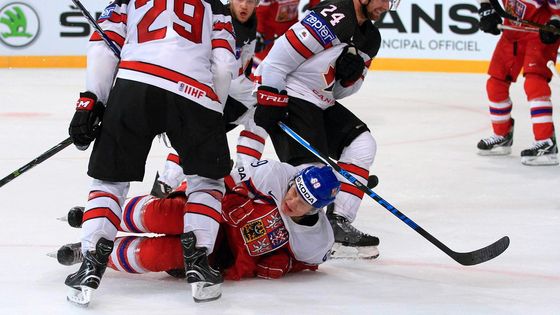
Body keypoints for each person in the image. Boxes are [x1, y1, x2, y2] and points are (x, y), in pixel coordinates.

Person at [66, 0, 237, 305]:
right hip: (194, 92)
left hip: (135, 84)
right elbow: (224, 62)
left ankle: (90, 264)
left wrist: (92, 100)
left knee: (110, 180)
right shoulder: (215, 6)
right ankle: (199, 266)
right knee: (206, 181)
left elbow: (103, 47)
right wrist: (213, 109)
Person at [253, 0, 397, 258]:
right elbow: (277, 58)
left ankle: (338, 224)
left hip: (321, 100)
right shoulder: (335, 15)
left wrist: (349, 77)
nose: (386, 7)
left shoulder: (371, 38)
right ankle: (288, 239)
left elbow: (340, 91)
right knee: (313, 175)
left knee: (362, 144)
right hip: (292, 93)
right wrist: (270, 96)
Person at [55, 160, 340, 282]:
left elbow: (299, 263)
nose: (291, 202)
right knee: (163, 215)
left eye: (302, 203)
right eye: (293, 192)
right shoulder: (272, 174)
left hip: (222, 254)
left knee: (158, 255)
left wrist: (282, 265)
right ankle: (103, 217)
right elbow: (220, 179)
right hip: (212, 214)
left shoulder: (317, 241)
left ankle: (91, 254)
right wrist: (187, 195)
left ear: (316, 209)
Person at [476, 0, 559, 166]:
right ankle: (502, 135)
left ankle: (546, 142)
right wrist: (486, 8)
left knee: (534, 83)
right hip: (512, 32)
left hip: (541, 31)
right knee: (495, 82)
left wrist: (556, 22)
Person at [253, 0, 321, 69]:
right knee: (261, 58)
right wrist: (259, 31)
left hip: (291, 26)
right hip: (268, 29)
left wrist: (313, 9)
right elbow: (261, 10)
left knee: (295, 56)